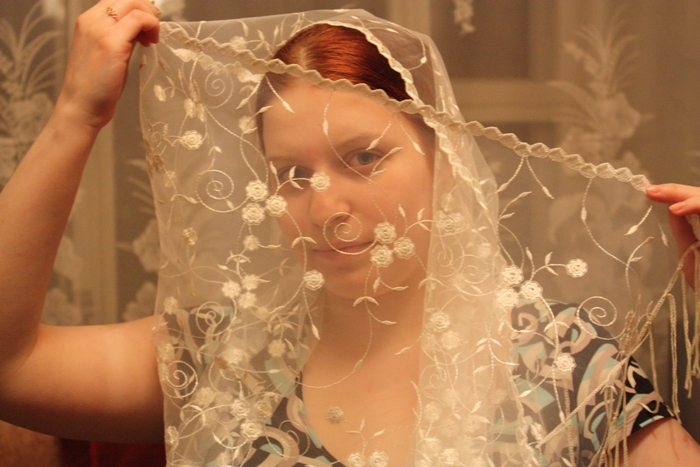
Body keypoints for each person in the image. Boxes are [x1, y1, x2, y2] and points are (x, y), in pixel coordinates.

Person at [1, 1, 700, 466]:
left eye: (363, 158)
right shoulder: (224, 356)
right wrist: (75, 115)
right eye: (291, 173)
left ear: (445, 160)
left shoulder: (562, 362)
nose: (324, 205)